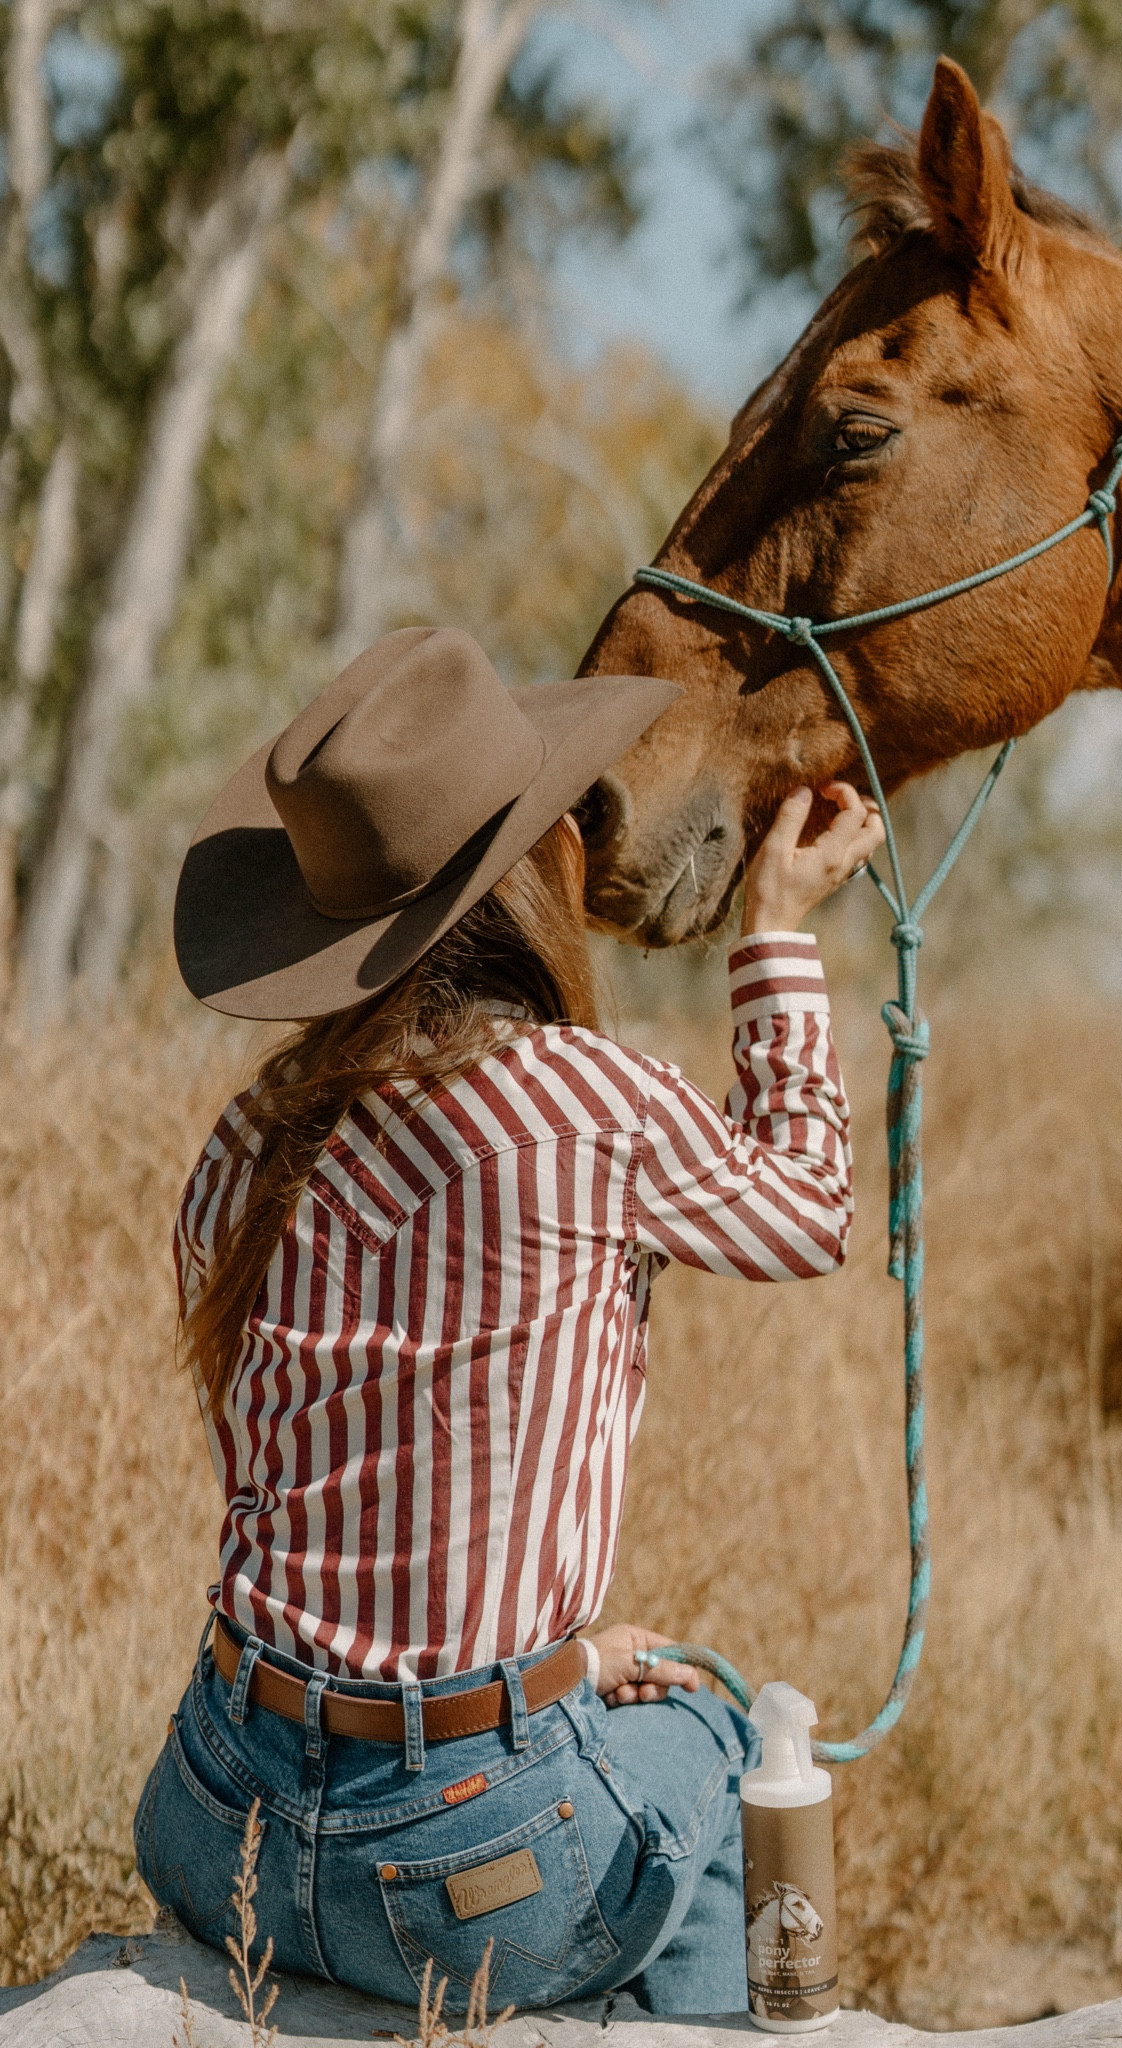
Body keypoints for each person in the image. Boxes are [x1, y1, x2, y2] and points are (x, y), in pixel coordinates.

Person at [137, 626, 884, 2015]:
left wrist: (552, 1666)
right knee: (724, 1749)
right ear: (539, 871)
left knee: (626, 1722)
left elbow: (318, 1506)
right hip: (462, 1861)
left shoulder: (246, 1144)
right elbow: (808, 1212)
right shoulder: (581, 1105)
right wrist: (777, 932)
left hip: (214, 1807)